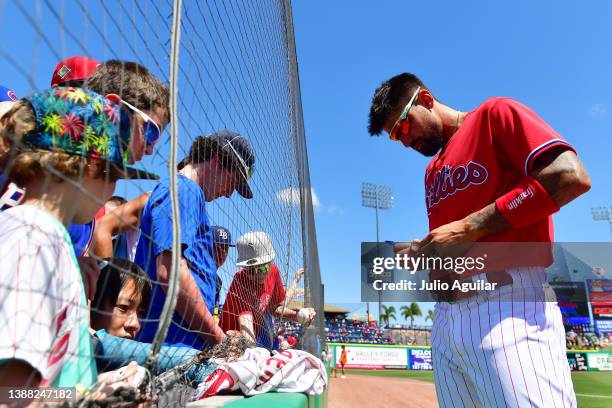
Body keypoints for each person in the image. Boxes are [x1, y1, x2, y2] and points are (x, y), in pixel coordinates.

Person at [368, 72, 591, 407]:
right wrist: (424, 253)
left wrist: (469, 227)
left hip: (508, 305)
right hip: (446, 322)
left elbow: (569, 176)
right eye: (394, 138)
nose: (403, 140)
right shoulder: (432, 172)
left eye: (402, 127)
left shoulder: (494, 114)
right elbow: (456, 243)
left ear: (426, 100)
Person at [0, 87, 154, 392]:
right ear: (91, 165)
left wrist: (95, 388)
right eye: (114, 176)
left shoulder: (50, 237)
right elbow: (10, 395)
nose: (112, 191)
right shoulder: (33, 239)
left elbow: (45, 382)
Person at [135, 131, 256, 349]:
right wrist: (218, 340)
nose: (229, 194)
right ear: (218, 161)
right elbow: (170, 272)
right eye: (233, 181)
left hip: (176, 344)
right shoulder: (186, 189)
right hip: (168, 347)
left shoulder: (189, 193)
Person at [220, 231, 316, 348]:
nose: (255, 275)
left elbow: (274, 308)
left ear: (270, 262)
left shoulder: (274, 272)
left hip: (250, 338)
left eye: (262, 269)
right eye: (249, 269)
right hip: (227, 342)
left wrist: (296, 316)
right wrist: (253, 349)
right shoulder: (240, 280)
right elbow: (246, 323)